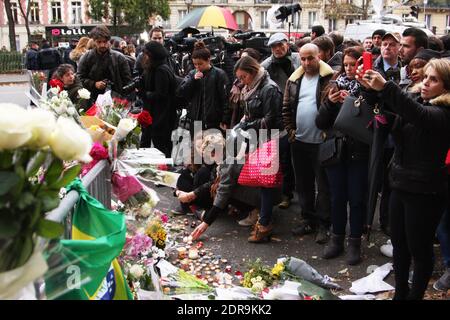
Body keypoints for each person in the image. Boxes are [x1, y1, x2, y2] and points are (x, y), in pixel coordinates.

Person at [357, 58, 450, 300]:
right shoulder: (420, 101)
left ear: (447, 87)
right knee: (399, 246)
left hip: (425, 192)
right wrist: (370, 93)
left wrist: (386, 87)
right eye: (426, 77)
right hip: (399, 184)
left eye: (434, 79)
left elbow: (417, 115)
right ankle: (401, 292)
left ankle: (414, 295)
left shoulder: (443, 113)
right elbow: (395, 117)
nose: (426, 82)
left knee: (420, 251)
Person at [315, 46, 369, 265]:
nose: (348, 69)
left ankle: (355, 241)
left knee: (356, 199)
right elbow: (320, 122)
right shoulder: (334, 85)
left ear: (360, 65)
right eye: (345, 64)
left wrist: (354, 102)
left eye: (352, 64)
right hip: (336, 151)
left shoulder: (368, 88)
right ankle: (336, 239)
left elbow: (373, 120)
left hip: (358, 151)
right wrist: (330, 102)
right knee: (337, 197)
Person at [282, 43, 333, 244]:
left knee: (323, 185)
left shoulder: (330, 77)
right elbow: (286, 108)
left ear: (318, 56)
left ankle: (324, 224)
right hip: (299, 141)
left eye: (310, 58)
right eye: (302, 59)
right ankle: (308, 219)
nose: (306, 62)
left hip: (321, 142)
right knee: (303, 185)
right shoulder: (294, 80)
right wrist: (291, 132)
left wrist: (328, 133)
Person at [231, 55, 284, 242]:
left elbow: (271, 119)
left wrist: (247, 125)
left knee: (266, 182)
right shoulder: (252, 87)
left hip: (269, 139)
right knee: (259, 181)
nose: (241, 81)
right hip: (256, 138)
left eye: (244, 77)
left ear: (253, 72)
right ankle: (261, 217)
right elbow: (250, 113)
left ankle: (264, 224)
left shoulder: (269, 88)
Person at [261, 32, 299, 210]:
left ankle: (295, 189)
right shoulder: (267, 65)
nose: (277, 49)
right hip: (278, 114)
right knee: (282, 156)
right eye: (273, 46)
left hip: (299, 110)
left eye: (280, 45)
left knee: (295, 156)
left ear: (287, 44)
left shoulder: (299, 59)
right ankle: (285, 193)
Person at [177, 41, 229, 132]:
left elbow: (225, 98)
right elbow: (182, 92)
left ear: (208, 60)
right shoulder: (192, 73)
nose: (197, 67)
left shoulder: (219, 74)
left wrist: (225, 119)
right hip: (196, 120)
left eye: (200, 64)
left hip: (214, 121)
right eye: (195, 64)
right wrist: (192, 80)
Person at [136, 41, 177, 157]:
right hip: (154, 114)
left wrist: (144, 93)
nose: (144, 57)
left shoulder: (161, 70)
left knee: (162, 147)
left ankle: (165, 168)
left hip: (162, 116)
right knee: (148, 142)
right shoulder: (153, 68)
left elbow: (161, 95)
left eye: (146, 54)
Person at [77, 25, 132, 103]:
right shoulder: (86, 58)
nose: (102, 45)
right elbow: (79, 78)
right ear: (94, 41)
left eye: (105, 42)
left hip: (117, 99)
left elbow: (127, 80)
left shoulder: (119, 58)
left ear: (109, 41)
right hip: (92, 100)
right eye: (99, 42)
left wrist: (124, 98)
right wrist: (94, 84)